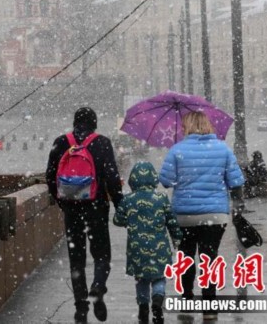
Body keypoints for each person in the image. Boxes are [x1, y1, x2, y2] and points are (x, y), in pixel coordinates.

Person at [158, 111, 245, 322]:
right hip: (215, 216)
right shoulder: (222, 149)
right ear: (208, 125)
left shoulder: (177, 150)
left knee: (186, 257)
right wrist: (237, 206)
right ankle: (209, 306)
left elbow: (165, 181)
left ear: (187, 126)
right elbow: (236, 182)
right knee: (209, 257)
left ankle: (187, 300)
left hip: (184, 215)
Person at [46, 106, 123, 324]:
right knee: (101, 255)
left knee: (76, 259)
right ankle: (98, 287)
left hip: (72, 208)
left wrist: (62, 201)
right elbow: (112, 177)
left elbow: (50, 176)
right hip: (97, 207)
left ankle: (81, 306)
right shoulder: (102, 143)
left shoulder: (62, 142)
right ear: (95, 122)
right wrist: (119, 204)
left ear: (74, 122)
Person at [113, 161, 183, 324]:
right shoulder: (161, 198)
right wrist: (177, 238)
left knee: (141, 279)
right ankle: (157, 301)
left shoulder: (128, 200)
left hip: (137, 249)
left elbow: (117, 219)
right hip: (160, 248)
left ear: (133, 180)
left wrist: (128, 220)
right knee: (159, 278)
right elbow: (171, 221)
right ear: (153, 179)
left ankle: (143, 307)